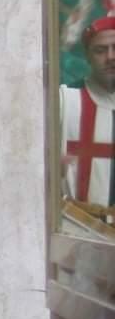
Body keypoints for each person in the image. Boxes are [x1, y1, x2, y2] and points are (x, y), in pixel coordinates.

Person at [60, 15, 115, 218]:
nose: (110, 56)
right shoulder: (64, 100)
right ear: (88, 56)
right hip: (80, 231)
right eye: (100, 50)